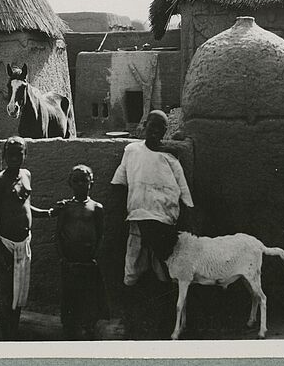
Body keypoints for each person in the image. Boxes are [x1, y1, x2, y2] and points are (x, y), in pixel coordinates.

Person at [110, 110, 195, 286]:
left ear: (165, 131)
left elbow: (185, 193)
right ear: (144, 125)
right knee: (134, 265)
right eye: (152, 125)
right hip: (137, 215)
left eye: (160, 128)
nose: (155, 130)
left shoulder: (170, 158)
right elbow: (119, 183)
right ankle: (135, 301)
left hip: (164, 218)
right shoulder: (132, 150)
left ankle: (162, 302)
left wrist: (187, 219)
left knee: (163, 267)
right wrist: (118, 214)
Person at [0, 136, 54, 340]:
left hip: (24, 244)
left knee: (19, 296)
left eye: (19, 153)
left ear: (25, 154)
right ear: (4, 155)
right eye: (10, 153)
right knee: (7, 294)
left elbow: (26, 206)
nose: (15, 157)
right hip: (7, 245)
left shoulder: (26, 175)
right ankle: (4, 338)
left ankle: (13, 335)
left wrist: (49, 212)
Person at [54, 165, 109, 340]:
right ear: (70, 183)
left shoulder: (96, 207)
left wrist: (94, 256)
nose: (80, 184)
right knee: (70, 295)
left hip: (88, 261)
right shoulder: (66, 207)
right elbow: (58, 234)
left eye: (84, 180)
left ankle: (89, 327)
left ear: (91, 182)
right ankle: (69, 328)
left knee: (89, 295)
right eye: (76, 181)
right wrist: (63, 258)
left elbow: (100, 234)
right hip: (70, 260)